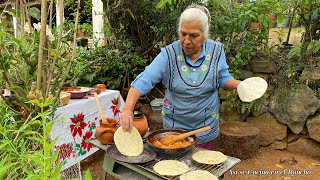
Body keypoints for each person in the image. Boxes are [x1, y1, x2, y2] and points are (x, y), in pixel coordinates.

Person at [120, 4, 241, 150]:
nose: (187, 41)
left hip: (205, 126)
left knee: (202, 166)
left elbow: (222, 78)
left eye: (194, 35)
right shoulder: (169, 54)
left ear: (205, 34)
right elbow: (144, 80)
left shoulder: (216, 50)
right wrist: (127, 109)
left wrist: (239, 85)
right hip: (174, 128)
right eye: (183, 34)